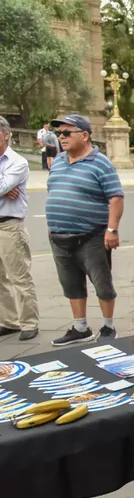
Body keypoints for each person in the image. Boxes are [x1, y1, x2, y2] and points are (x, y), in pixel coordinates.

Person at [46, 115, 124, 346]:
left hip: (92, 236)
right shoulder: (58, 161)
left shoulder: (100, 163)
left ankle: (108, 326)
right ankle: (80, 327)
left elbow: (116, 197)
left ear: (85, 135)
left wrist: (112, 229)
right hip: (59, 237)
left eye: (67, 133)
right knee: (70, 283)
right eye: (59, 133)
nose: (61, 137)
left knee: (102, 283)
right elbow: (54, 192)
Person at [0, 117, 39, 341]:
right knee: (0, 280)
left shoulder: (18, 162)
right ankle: (9, 321)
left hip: (9, 226)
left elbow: (4, 187)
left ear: (6, 134)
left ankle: (29, 322)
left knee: (19, 277)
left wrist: (5, 187)